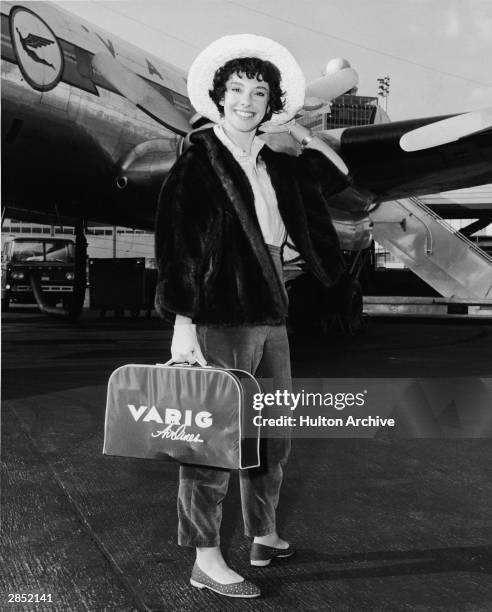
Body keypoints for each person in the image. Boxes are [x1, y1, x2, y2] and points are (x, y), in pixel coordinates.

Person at [154, 34, 349, 599]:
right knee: (213, 443)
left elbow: (334, 185)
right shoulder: (196, 164)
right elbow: (176, 246)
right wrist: (183, 322)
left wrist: (301, 140)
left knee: (273, 436)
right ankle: (206, 558)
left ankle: (263, 533)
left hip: (271, 313)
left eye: (259, 92)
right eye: (236, 89)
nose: (246, 100)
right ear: (218, 96)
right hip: (219, 316)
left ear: (271, 103)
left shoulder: (272, 161)